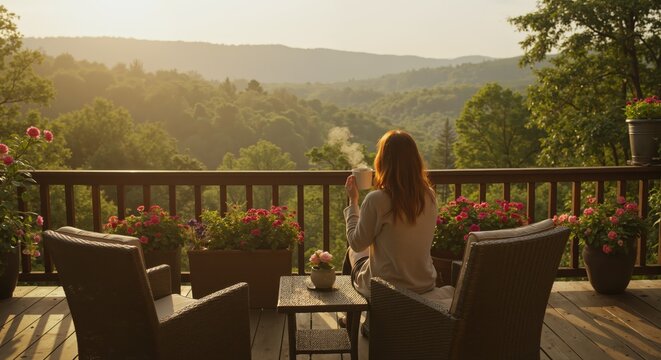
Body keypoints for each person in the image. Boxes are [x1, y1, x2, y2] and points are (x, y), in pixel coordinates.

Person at [342, 130, 440, 335]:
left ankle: (350, 317)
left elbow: (356, 242)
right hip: (422, 282)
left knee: (351, 252)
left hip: (387, 289)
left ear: (382, 161)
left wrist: (352, 203)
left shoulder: (377, 199)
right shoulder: (429, 196)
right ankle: (360, 317)